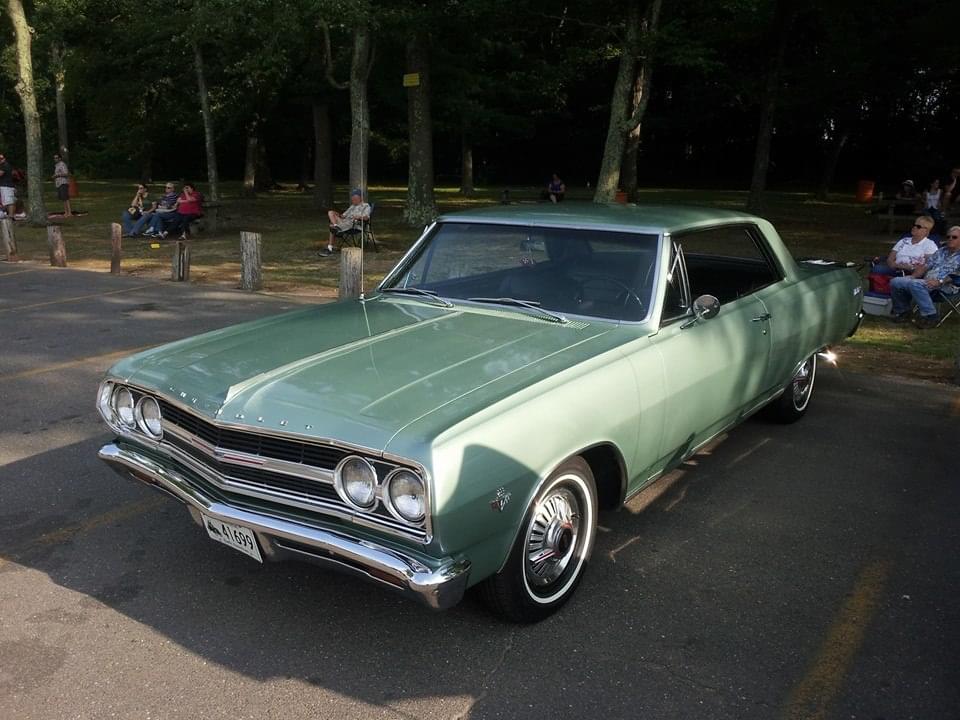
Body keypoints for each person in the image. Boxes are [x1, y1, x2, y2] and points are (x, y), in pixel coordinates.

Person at [890, 226, 960, 328]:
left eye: (954, 237)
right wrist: (913, 276)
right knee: (896, 281)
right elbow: (925, 266)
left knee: (916, 284)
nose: (950, 239)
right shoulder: (941, 251)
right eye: (948, 236)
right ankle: (903, 312)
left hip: (948, 286)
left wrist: (939, 281)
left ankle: (931, 316)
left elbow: (957, 276)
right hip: (926, 282)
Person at [872, 215, 939, 276]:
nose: (914, 227)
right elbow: (890, 259)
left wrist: (905, 267)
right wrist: (895, 265)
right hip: (895, 270)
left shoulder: (930, 245)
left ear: (926, 231)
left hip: (913, 273)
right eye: (914, 225)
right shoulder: (903, 241)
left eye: (918, 226)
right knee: (878, 268)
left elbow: (928, 265)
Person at [319, 189, 370, 256]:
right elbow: (343, 216)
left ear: (360, 198)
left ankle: (330, 247)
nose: (353, 201)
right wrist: (336, 214)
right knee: (330, 212)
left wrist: (358, 217)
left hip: (354, 224)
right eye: (352, 199)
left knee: (332, 227)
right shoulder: (352, 206)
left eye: (354, 199)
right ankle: (336, 226)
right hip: (345, 222)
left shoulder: (366, 206)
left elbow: (366, 217)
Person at [52, 153, 71, 217]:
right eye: (54, 158)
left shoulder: (62, 164)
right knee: (63, 198)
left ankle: (69, 213)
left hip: (63, 182)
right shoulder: (56, 165)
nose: (55, 159)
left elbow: (66, 173)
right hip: (59, 183)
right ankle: (66, 212)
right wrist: (55, 176)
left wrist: (57, 175)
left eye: (56, 158)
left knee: (66, 198)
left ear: (60, 158)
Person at [0, 152, 15, 218]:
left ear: (4, 159)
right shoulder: (5, 165)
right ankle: (9, 215)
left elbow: (0, 174)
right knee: (7, 201)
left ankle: (11, 215)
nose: (0, 160)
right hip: (7, 185)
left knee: (9, 202)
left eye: (1, 159)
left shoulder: (4, 165)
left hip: (6, 186)